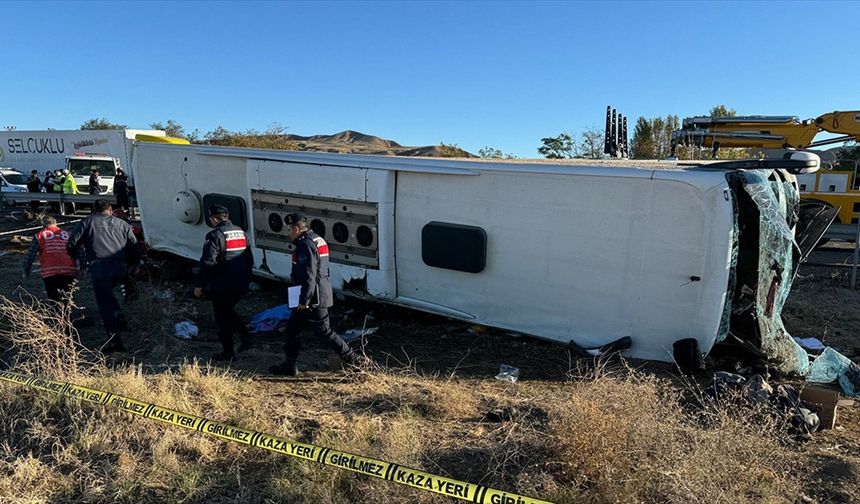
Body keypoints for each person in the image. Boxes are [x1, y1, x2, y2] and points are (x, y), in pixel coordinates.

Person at [269, 212, 368, 376]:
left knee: (324, 331)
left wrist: (304, 300)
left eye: (289, 230)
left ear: (295, 229)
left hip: (312, 297)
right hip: (315, 293)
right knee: (293, 330)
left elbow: (309, 275)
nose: (288, 233)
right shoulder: (317, 238)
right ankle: (289, 365)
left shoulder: (305, 245)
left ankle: (357, 361)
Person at [66, 199, 140, 352]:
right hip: (120, 266)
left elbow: (72, 243)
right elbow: (134, 245)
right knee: (108, 294)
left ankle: (115, 342)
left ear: (94, 210)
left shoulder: (87, 222)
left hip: (100, 266)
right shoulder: (122, 224)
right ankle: (119, 318)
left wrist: (77, 258)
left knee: (104, 303)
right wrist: (133, 265)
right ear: (110, 209)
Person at [194, 205, 254, 361]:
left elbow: (208, 262)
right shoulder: (241, 232)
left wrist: (200, 285)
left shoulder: (215, 235)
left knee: (222, 317)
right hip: (240, 282)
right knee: (227, 311)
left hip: (223, 284)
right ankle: (245, 336)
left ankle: (228, 351)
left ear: (214, 219)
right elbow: (249, 259)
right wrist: (247, 279)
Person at [22, 216, 78, 305]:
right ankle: (67, 317)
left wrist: (26, 271)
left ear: (43, 225)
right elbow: (79, 251)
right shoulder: (68, 234)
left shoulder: (40, 235)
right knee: (67, 299)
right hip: (69, 270)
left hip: (50, 272)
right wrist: (82, 267)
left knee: (54, 299)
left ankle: (58, 317)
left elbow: (30, 255)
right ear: (56, 224)